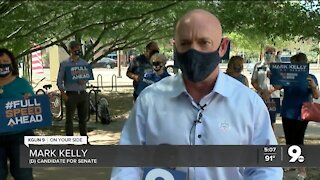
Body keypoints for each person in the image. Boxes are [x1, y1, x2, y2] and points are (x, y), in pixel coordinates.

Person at [111, 9, 283, 179]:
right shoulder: (149, 101)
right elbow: (127, 164)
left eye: (204, 42)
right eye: (185, 43)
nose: (193, 51)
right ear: (175, 46)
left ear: (222, 47)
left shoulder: (249, 104)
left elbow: (267, 168)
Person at [276, 53, 319, 179]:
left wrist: (313, 86)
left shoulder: (310, 77)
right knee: (289, 140)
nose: (294, 66)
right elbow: (277, 86)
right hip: (287, 111)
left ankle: (302, 169)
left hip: (302, 113)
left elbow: (316, 96)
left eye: (297, 64)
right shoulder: (288, 76)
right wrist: (274, 77)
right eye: (293, 64)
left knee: (298, 140)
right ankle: (291, 163)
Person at [0, 48, 34, 180]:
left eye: (5, 61)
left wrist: (29, 100)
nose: (2, 64)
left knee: (23, 175)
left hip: (20, 136)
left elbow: (34, 106)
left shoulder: (22, 83)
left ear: (12, 63)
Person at [57, 41, 89, 137]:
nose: (77, 50)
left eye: (78, 48)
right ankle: (70, 141)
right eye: (75, 48)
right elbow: (59, 81)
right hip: (71, 94)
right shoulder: (65, 64)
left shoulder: (83, 63)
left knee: (83, 119)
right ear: (70, 49)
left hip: (83, 94)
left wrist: (84, 81)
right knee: (69, 120)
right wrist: (63, 94)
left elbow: (87, 76)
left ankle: (84, 140)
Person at [251, 46, 280, 130]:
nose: (269, 55)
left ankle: (270, 140)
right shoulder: (258, 65)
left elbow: (280, 83)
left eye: (271, 53)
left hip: (273, 97)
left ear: (275, 54)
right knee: (258, 119)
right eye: (267, 52)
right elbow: (254, 80)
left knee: (271, 121)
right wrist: (262, 91)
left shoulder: (278, 67)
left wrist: (269, 91)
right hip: (260, 96)